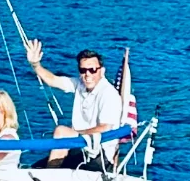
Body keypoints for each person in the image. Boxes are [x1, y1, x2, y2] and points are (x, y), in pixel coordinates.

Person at [25, 40, 124, 168]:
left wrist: (73, 134)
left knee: (61, 132)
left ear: (102, 71)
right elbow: (53, 80)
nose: (87, 74)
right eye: (83, 70)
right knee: (35, 168)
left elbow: (105, 128)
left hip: (99, 155)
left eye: (92, 70)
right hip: (79, 148)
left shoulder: (109, 94)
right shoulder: (79, 84)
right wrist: (35, 64)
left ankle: (50, 179)